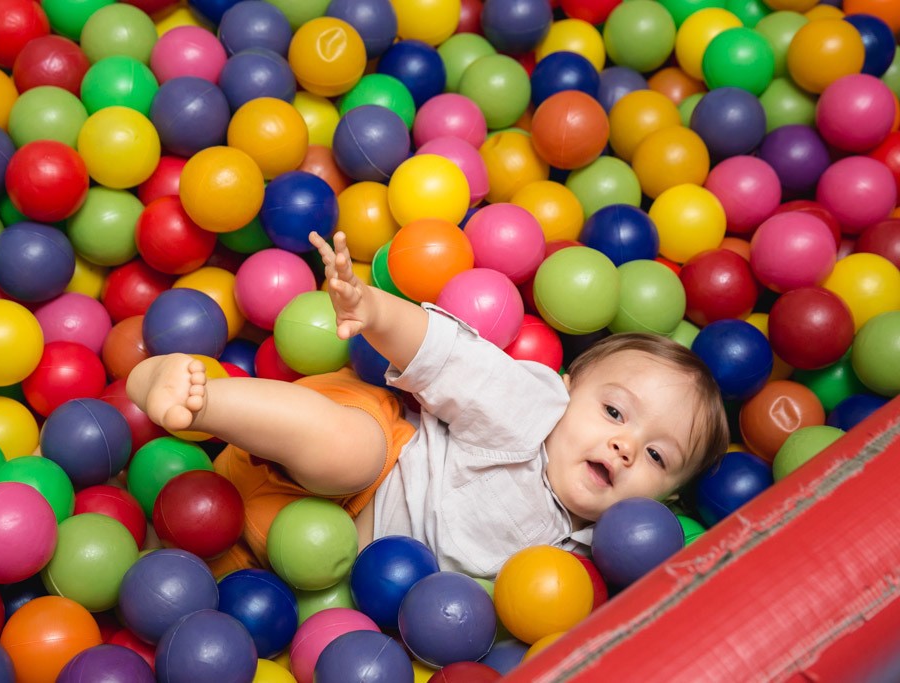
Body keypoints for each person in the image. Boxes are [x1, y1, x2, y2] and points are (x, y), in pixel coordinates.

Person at [127, 231, 729, 579]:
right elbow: (447, 357)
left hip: (315, 553)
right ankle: (195, 397)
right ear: (566, 390)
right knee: (348, 449)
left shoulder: (603, 552)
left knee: (200, 574)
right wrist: (377, 311)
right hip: (373, 462)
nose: (624, 447)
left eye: (656, 453)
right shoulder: (529, 410)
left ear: (667, 499)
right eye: (615, 413)